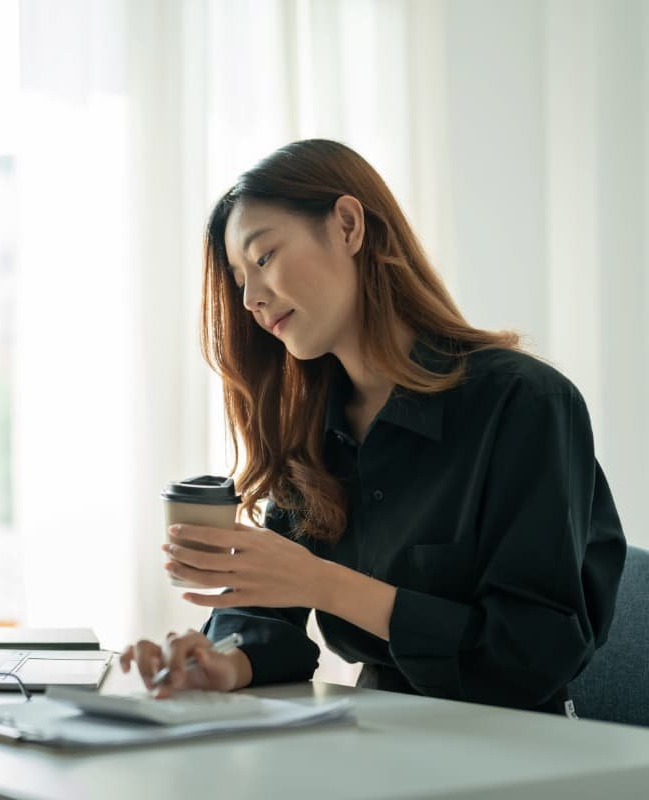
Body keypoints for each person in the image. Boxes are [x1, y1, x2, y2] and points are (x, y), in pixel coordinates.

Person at [120, 139, 626, 716]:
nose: (252, 300)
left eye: (262, 259)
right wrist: (222, 662)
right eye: (239, 283)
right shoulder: (310, 429)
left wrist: (323, 583)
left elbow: (530, 655)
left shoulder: (523, 403)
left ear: (347, 225)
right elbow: (270, 619)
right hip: (377, 736)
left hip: (515, 752)